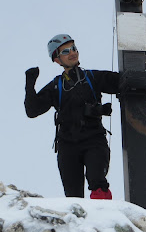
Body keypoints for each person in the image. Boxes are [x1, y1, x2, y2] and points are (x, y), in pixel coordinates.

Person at [25, 34, 120, 199]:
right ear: (56, 59)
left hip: (94, 140)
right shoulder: (56, 86)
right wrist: (30, 84)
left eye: (74, 48)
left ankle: (103, 220)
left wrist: (139, 78)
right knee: (73, 196)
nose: (73, 53)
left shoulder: (91, 77)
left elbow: (121, 81)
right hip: (67, 146)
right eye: (66, 51)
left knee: (98, 183)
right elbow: (33, 110)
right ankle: (81, 223)